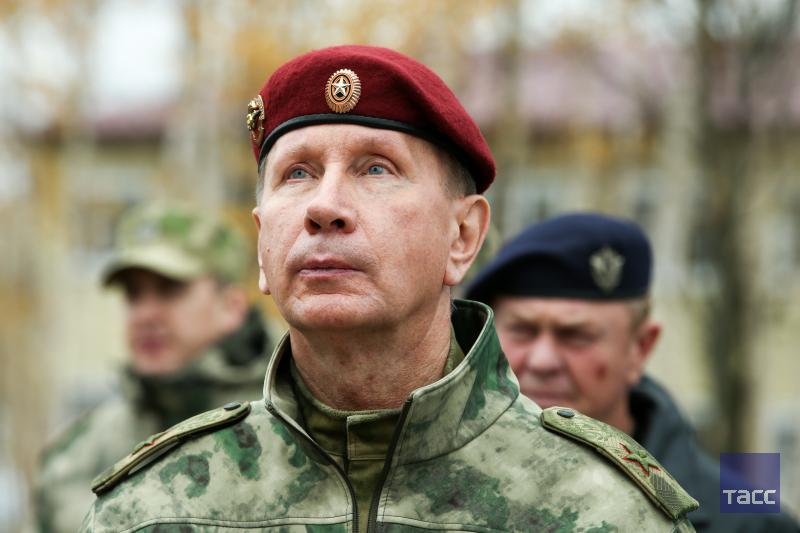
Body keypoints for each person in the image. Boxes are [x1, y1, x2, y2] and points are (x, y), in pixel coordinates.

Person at [80, 46, 699, 533]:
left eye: (376, 167)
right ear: (262, 244)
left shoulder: (602, 510)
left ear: (462, 236)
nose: (324, 206)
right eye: (297, 173)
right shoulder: (155, 508)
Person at [465, 212, 800, 533]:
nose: (542, 361)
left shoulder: (746, 521)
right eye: (522, 330)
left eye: (575, 336)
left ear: (639, 348)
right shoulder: (449, 483)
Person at [32, 203, 272, 533]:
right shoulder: (76, 458)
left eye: (169, 289)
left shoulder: (294, 423)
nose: (145, 315)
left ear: (231, 306)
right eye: (134, 294)